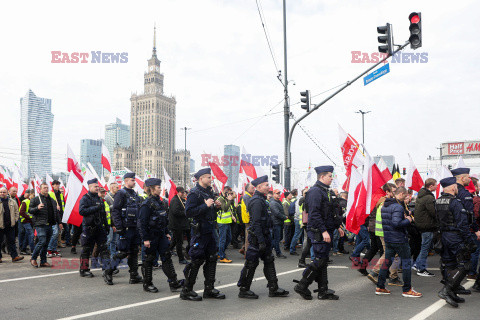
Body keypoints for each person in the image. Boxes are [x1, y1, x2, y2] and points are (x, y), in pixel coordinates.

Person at [294, 166, 343, 300]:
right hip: (318, 231)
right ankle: (303, 285)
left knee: (323, 260)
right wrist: (324, 231)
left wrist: (337, 226)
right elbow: (314, 214)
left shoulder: (325, 191)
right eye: (329, 176)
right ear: (322, 177)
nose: (332, 178)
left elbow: (330, 212)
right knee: (320, 260)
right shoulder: (315, 192)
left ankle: (323, 290)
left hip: (325, 230)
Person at [237, 175, 289, 299]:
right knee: (251, 263)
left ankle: (273, 288)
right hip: (257, 239)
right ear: (259, 187)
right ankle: (244, 289)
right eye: (266, 185)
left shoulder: (261, 200)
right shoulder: (256, 201)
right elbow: (256, 223)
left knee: (269, 261)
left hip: (264, 237)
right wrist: (260, 241)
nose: (268, 187)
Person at [180, 168, 225, 301]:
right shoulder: (195, 193)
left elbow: (209, 212)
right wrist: (205, 206)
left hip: (210, 230)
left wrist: (215, 207)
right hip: (200, 232)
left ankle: (209, 289)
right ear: (201, 179)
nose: (211, 179)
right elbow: (188, 212)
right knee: (197, 260)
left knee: (212, 258)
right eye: (208, 177)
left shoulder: (209, 192)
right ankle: (187, 290)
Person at [436, 177, 477, 307]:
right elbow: (463, 225)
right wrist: (470, 242)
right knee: (465, 264)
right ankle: (447, 290)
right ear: (454, 187)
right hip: (455, 236)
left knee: (450, 263)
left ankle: (452, 291)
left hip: (443, 236)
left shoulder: (437, 201)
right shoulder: (455, 202)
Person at [375, 187, 422, 297]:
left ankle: (380, 286)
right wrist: (408, 220)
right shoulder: (397, 206)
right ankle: (407, 290)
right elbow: (396, 223)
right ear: (400, 194)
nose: (407, 197)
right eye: (405, 195)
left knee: (387, 262)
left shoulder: (385, 205)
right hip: (399, 239)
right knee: (406, 263)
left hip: (388, 238)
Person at [138, 178, 183, 293]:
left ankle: (173, 282)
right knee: (149, 259)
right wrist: (145, 239)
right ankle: (147, 284)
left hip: (161, 235)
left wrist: (167, 232)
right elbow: (142, 223)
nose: (160, 189)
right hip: (151, 236)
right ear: (152, 189)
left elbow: (163, 219)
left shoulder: (160, 201)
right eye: (158, 187)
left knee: (166, 257)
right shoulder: (146, 204)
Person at [107, 172, 143, 284]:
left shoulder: (135, 194)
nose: (134, 182)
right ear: (126, 181)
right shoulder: (121, 193)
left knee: (134, 251)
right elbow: (116, 211)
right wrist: (119, 227)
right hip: (125, 228)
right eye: (132, 180)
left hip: (134, 227)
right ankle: (108, 271)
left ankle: (134, 275)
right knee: (123, 252)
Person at [78, 178, 111, 281]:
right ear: (89, 187)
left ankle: (107, 270)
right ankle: (84, 269)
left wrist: (106, 227)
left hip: (99, 228)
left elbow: (103, 215)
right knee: (86, 250)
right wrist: (95, 208)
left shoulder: (100, 199)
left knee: (104, 249)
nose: (97, 188)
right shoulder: (85, 198)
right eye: (95, 186)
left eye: (98, 186)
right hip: (89, 228)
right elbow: (82, 211)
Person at [29, 183, 62, 267]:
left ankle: (43, 261)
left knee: (46, 244)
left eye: (47, 188)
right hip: (40, 224)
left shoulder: (52, 200)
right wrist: (37, 208)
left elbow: (56, 213)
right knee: (42, 241)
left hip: (50, 224)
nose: (46, 189)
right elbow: (30, 210)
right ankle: (33, 258)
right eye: (44, 188)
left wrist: (60, 222)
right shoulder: (36, 199)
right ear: (40, 189)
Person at [413, 178, 438, 277]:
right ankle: (421, 269)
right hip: (428, 225)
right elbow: (433, 212)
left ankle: (417, 264)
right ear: (431, 186)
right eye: (435, 185)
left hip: (421, 225)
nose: (436, 186)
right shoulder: (429, 197)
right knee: (425, 248)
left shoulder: (421, 195)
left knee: (424, 247)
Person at [0, 187, 24, 263]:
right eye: (1, 192)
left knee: (12, 242)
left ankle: (14, 256)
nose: (2, 193)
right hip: (0, 226)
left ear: (7, 193)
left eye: (4, 192)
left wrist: (15, 220)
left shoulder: (13, 202)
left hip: (10, 226)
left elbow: (17, 212)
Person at [168, 187, 190, 264]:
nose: (184, 194)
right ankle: (181, 259)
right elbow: (175, 212)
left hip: (180, 224)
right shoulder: (175, 200)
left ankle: (168, 251)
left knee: (175, 240)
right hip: (176, 225)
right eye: (182, 192)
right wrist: (185, 212)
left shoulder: (181, 200)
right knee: (179, 242)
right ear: (179, 193)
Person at [216, 187, 236, 263]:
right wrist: (230, 200)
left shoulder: (226, 199)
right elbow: (224, 208)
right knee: (223, 240)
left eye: (231, 193)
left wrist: (232, 216)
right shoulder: (221, 199)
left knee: (229, 239)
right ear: (225, 192)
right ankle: (222, 257)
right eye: (229, 192)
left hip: (227, 222)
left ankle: (220, 252)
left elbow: (229, 209)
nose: (230, 194)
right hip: (222, 222)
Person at [47, 180, 65, 257]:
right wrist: (55, 207)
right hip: (53, 216)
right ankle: (49, 249)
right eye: (56, 184)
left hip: (59, 215)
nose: (57, 186)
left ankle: (54, 249)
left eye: (58, 184)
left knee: (57, 234)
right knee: (54, 233)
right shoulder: (51, 193)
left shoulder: (60, 194)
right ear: (52, 185)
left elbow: (62, 204)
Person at [104, 183, 119, 268]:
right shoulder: (107, 198)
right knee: (109, 240)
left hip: (116, 223)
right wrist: (112, 224)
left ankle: (112, 257)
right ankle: (103, 256)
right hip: (110, 223)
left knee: (114, 241)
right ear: (112, 188)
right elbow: (110, 213)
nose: (118, 188)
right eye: (116, 187)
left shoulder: (117, 197)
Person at [269, 189, 287, 259]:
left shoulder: (278, 201)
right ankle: (277, 253)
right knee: (276, 239)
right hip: (275, 222)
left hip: (278, 222)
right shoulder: (273, 203)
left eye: (279, 193)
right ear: (273, 194)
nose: (278, 194)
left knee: (277, 238)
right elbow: (277, 213)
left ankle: (270, 251)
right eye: (277, 193)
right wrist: (284, 217)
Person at [239, 183, 254, 255]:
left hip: (247, 219)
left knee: (248, 236)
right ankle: (247, 253)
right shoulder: (247, 197)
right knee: (248, 237)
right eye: (252, 187)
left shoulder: (248, 196)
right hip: (248, 220)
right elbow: (249, 209)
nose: (254, 188)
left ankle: (244, 248)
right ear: (247, 189)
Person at [18, 190, 34, 255]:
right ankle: (33, 250)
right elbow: (21, 212)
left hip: (30, 221)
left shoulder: (33, 202)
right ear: (30, 195)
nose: (34, 196)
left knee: (27, 235)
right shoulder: (25, 201)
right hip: (25, 221)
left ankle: (23, 249)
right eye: (33, 195)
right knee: (31, 235)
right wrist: (29, 217)